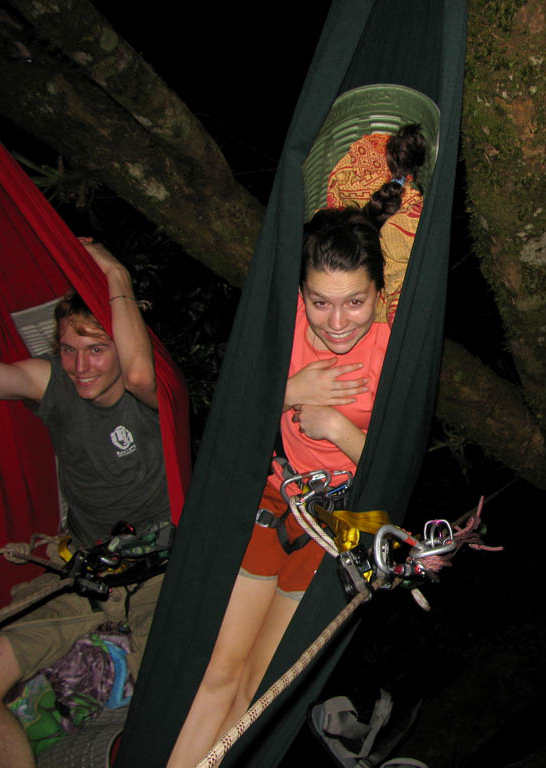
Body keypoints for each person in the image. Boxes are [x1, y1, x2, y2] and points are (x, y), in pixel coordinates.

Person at [167, 125, 425, 768]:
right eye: (320, 303)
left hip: (342, 522)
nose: (337, 323)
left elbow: (396, 466)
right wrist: (289, 390)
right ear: (302, 292)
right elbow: (231, 416)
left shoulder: (394, 350)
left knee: (259, 684)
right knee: (220, 671)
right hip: (276, 497)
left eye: (354, 303)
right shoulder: (283, 327)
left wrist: (338, 429)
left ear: (378, 294)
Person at [0, 239, 169, 768]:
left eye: (95, 348)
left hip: (159, 573)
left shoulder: (153, 393)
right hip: (85, 572)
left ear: (121, 343)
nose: (80, 365)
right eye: (69, 349)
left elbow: (141, 375)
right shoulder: (54, 381)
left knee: (171, 704)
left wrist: (116, 271)